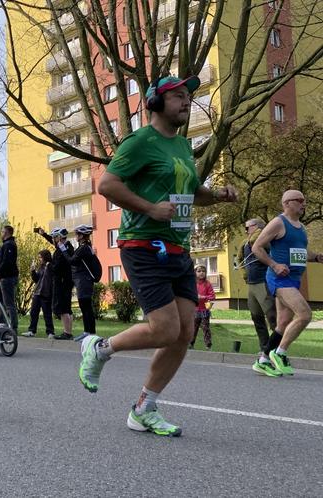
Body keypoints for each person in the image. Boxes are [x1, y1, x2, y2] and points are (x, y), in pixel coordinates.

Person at [87, 75, 238, 436]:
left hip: (177, 248)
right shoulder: (140, 142)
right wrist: (150, 209)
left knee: (184, 332)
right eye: (179, 96)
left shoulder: (184, 147)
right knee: (165, 329)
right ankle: (100, 349)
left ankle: (144, 407)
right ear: (156, 101)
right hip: (143, 244)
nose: (187, 102)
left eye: (190, 97)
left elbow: (191, 191)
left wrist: (216, 195)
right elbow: (107, 184)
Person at [250, 190, 323, 377]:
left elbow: (300, 251)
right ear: (287, 203)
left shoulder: (300, 227)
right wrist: (274, 265)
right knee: (305, 314)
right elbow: (256, 247)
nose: (304, 203)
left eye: (304, 200)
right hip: (279, 279)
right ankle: (279, 352)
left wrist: (316, 257)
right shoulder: (278, 223)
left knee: (283, 324)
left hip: (294, 279)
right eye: (299, 200)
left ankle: (263, 360)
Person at [237, 219, 276, 352]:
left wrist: (260, 234)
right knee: (256, 318)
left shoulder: (264, 239)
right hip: (252, 285)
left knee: (272, 316)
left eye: (247, 227)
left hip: (263, 281)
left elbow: (271, 250)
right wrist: (244, 274)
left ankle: (277, 349)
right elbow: (240, 260)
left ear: (257, 227)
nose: (245, 230)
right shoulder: (245, 243)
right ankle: (265, 348)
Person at [58, 224, 99, 341]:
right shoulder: (84, 247)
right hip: (82, 280)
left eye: (77, 234)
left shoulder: (84, 248)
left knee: (86, 307)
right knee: (85, 307)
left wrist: (63, 249)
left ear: (81, 236)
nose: (75, 236)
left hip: (84, 281)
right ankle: (88, 332)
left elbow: (72, 261)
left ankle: (90, 333)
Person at [38, 227, 74, 340]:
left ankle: (67, 333)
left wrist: (49, 264)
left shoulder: (62, 250)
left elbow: (57, 267)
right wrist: (44, 235)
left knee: (62, 307)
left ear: (58, 238)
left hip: (62, 281)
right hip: (67, 280)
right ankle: (68, 331)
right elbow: (55, 244)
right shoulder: (67, 246)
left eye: (54, 237)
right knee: (67, 308)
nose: (53, 240)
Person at [0, 225, 19, 331]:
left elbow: (7, 262)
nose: (0, 234)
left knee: (9, 303)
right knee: (1, 301)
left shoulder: (10, 245)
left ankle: (13, 327)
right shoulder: (4, 245)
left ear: (6, 233)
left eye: (2, 232)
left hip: (8, 278)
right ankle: (2, 323)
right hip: (4, 278)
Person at [23, 249, 54, 338]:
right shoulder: (41, 267)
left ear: (45, 257)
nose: (39, 259)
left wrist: (49, 267)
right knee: (34, 312)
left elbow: (51, 278)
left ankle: (50, 332)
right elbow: (37, 279)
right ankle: (32, 331)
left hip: (46, 293)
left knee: (47, 313)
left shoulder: (51, 266)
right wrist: (33, 271)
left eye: (40, 257)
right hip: (37, 292)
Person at [190, 265, 215, 350]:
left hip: (205, 310)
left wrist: (203, 297)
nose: (201, 273)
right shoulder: (192, 284)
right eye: (199, 271)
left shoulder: (207, 284)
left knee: (206, 328)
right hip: (195, 310)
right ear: (195, 272)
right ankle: (190, 344)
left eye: (203, 271)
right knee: (193, 328)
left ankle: (208, 345)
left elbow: (212, 296)